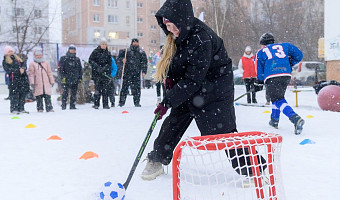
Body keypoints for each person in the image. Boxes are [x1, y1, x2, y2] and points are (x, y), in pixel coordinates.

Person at [140, 0, 238, 180]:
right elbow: (181, 66)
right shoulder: (178, 37)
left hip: (215, 88)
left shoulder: (201, 38)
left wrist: (168, 100)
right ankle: (157, 159)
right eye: (167, 26)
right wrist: (171, 81)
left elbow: (193, 78)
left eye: (173, 25)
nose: (170, 30)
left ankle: (254, 169)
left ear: (183, 20)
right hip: (192, 86)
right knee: (174, 122)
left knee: (223, 132)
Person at [255, 33, 305, 135]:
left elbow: (259, 70)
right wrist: (290, 63)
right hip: (286, 74)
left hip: (272, 75)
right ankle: (274, 119)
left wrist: (260, 80)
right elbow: (299, 55)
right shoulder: (285, 45)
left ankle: (295, 118)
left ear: (263, 44)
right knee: (278, 97)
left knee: (277, 99)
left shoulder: (261, 52)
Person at [117, 38, 148, 107]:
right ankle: (121, 102)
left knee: (136, 89)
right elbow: (118, 59)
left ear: (138, 43)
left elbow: (144, 63)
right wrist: (122, 60)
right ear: (131, 43)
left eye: (136, 42)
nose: (135, 43)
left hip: (136, 73)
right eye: (134, 42)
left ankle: (137, 102)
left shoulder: (141, 52)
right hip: (127, 72)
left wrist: (144, 71)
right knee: (124, 88)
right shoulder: (126, 51)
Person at [2, 46, 30, 114]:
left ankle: (21, 108)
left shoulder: (18, 59)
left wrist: (23, 68)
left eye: (11, 51)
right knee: (14, 95)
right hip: (13, 80)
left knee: (22, 94)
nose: (11, 53)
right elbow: (8, 70)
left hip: (22, 79)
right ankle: (14, 108)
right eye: (9, 51)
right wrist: (18, 70)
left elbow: (24, 64)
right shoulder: (5, 61)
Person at [28, 47, 55, 112]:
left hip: (46, 83)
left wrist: (52, 81)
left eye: (40, 55)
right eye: (37, 55)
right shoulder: (32, 64)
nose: (39, 56)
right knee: (39, 97)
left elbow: (49, 73)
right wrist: (32, 82)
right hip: (38, 83)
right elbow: (31, 74)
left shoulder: (46, 63)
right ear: (35, 56)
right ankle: (40, 108)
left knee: (47, 96)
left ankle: (49, 108)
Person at [89, 38, 112, 109]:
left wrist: (104, 68)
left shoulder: (108, 53)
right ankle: (96, 104)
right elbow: (91, 60)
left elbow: (109, 63)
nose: (104, 45)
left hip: (105, 74)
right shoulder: (95, 52)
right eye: (102, 44)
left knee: (105, 90)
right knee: (97, 90)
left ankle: (105, 104)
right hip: (97, 75)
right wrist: (97, 67)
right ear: (100, 44)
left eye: (105, 44)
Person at [59, 44, 83, 110]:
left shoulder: (77, 59)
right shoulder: (63, 58)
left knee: (74, 93)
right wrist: (63, 77)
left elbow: (80, 69)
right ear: (69, 50)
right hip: (66, 78)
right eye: (71, 49)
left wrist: (80, 77)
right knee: (65, 93)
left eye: (74, 50)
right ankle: (63, 105)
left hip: (75, 78)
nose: (72, 51)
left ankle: (72, 105)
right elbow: (61, 69)